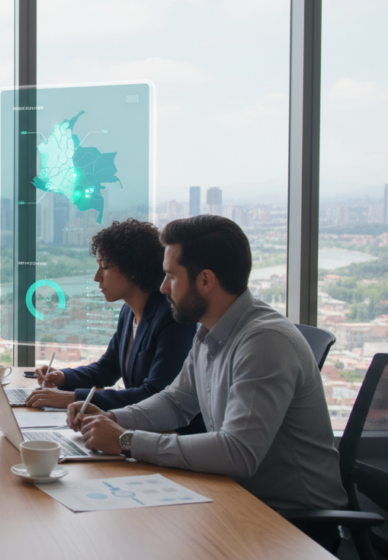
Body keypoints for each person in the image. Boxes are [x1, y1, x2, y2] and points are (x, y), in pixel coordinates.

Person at [68, 215, 347, 552]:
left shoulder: (263, 342)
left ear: (205, 280)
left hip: (290, 525)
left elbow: (238, 452)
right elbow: (175, 402)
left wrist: (126, 441)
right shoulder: (210, 331)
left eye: (171, 276)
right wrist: (113, 419)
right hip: (235, 497)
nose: (163, 287)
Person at [24, 219, 202, 434]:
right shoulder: (129, 311)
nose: (96, 277)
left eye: (105, 267)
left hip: (174, 436)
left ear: (134, 270)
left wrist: (71, 397)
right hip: (142, 429)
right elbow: (107, 369)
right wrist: (63, 377)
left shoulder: (172, 318)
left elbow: (154, 394)